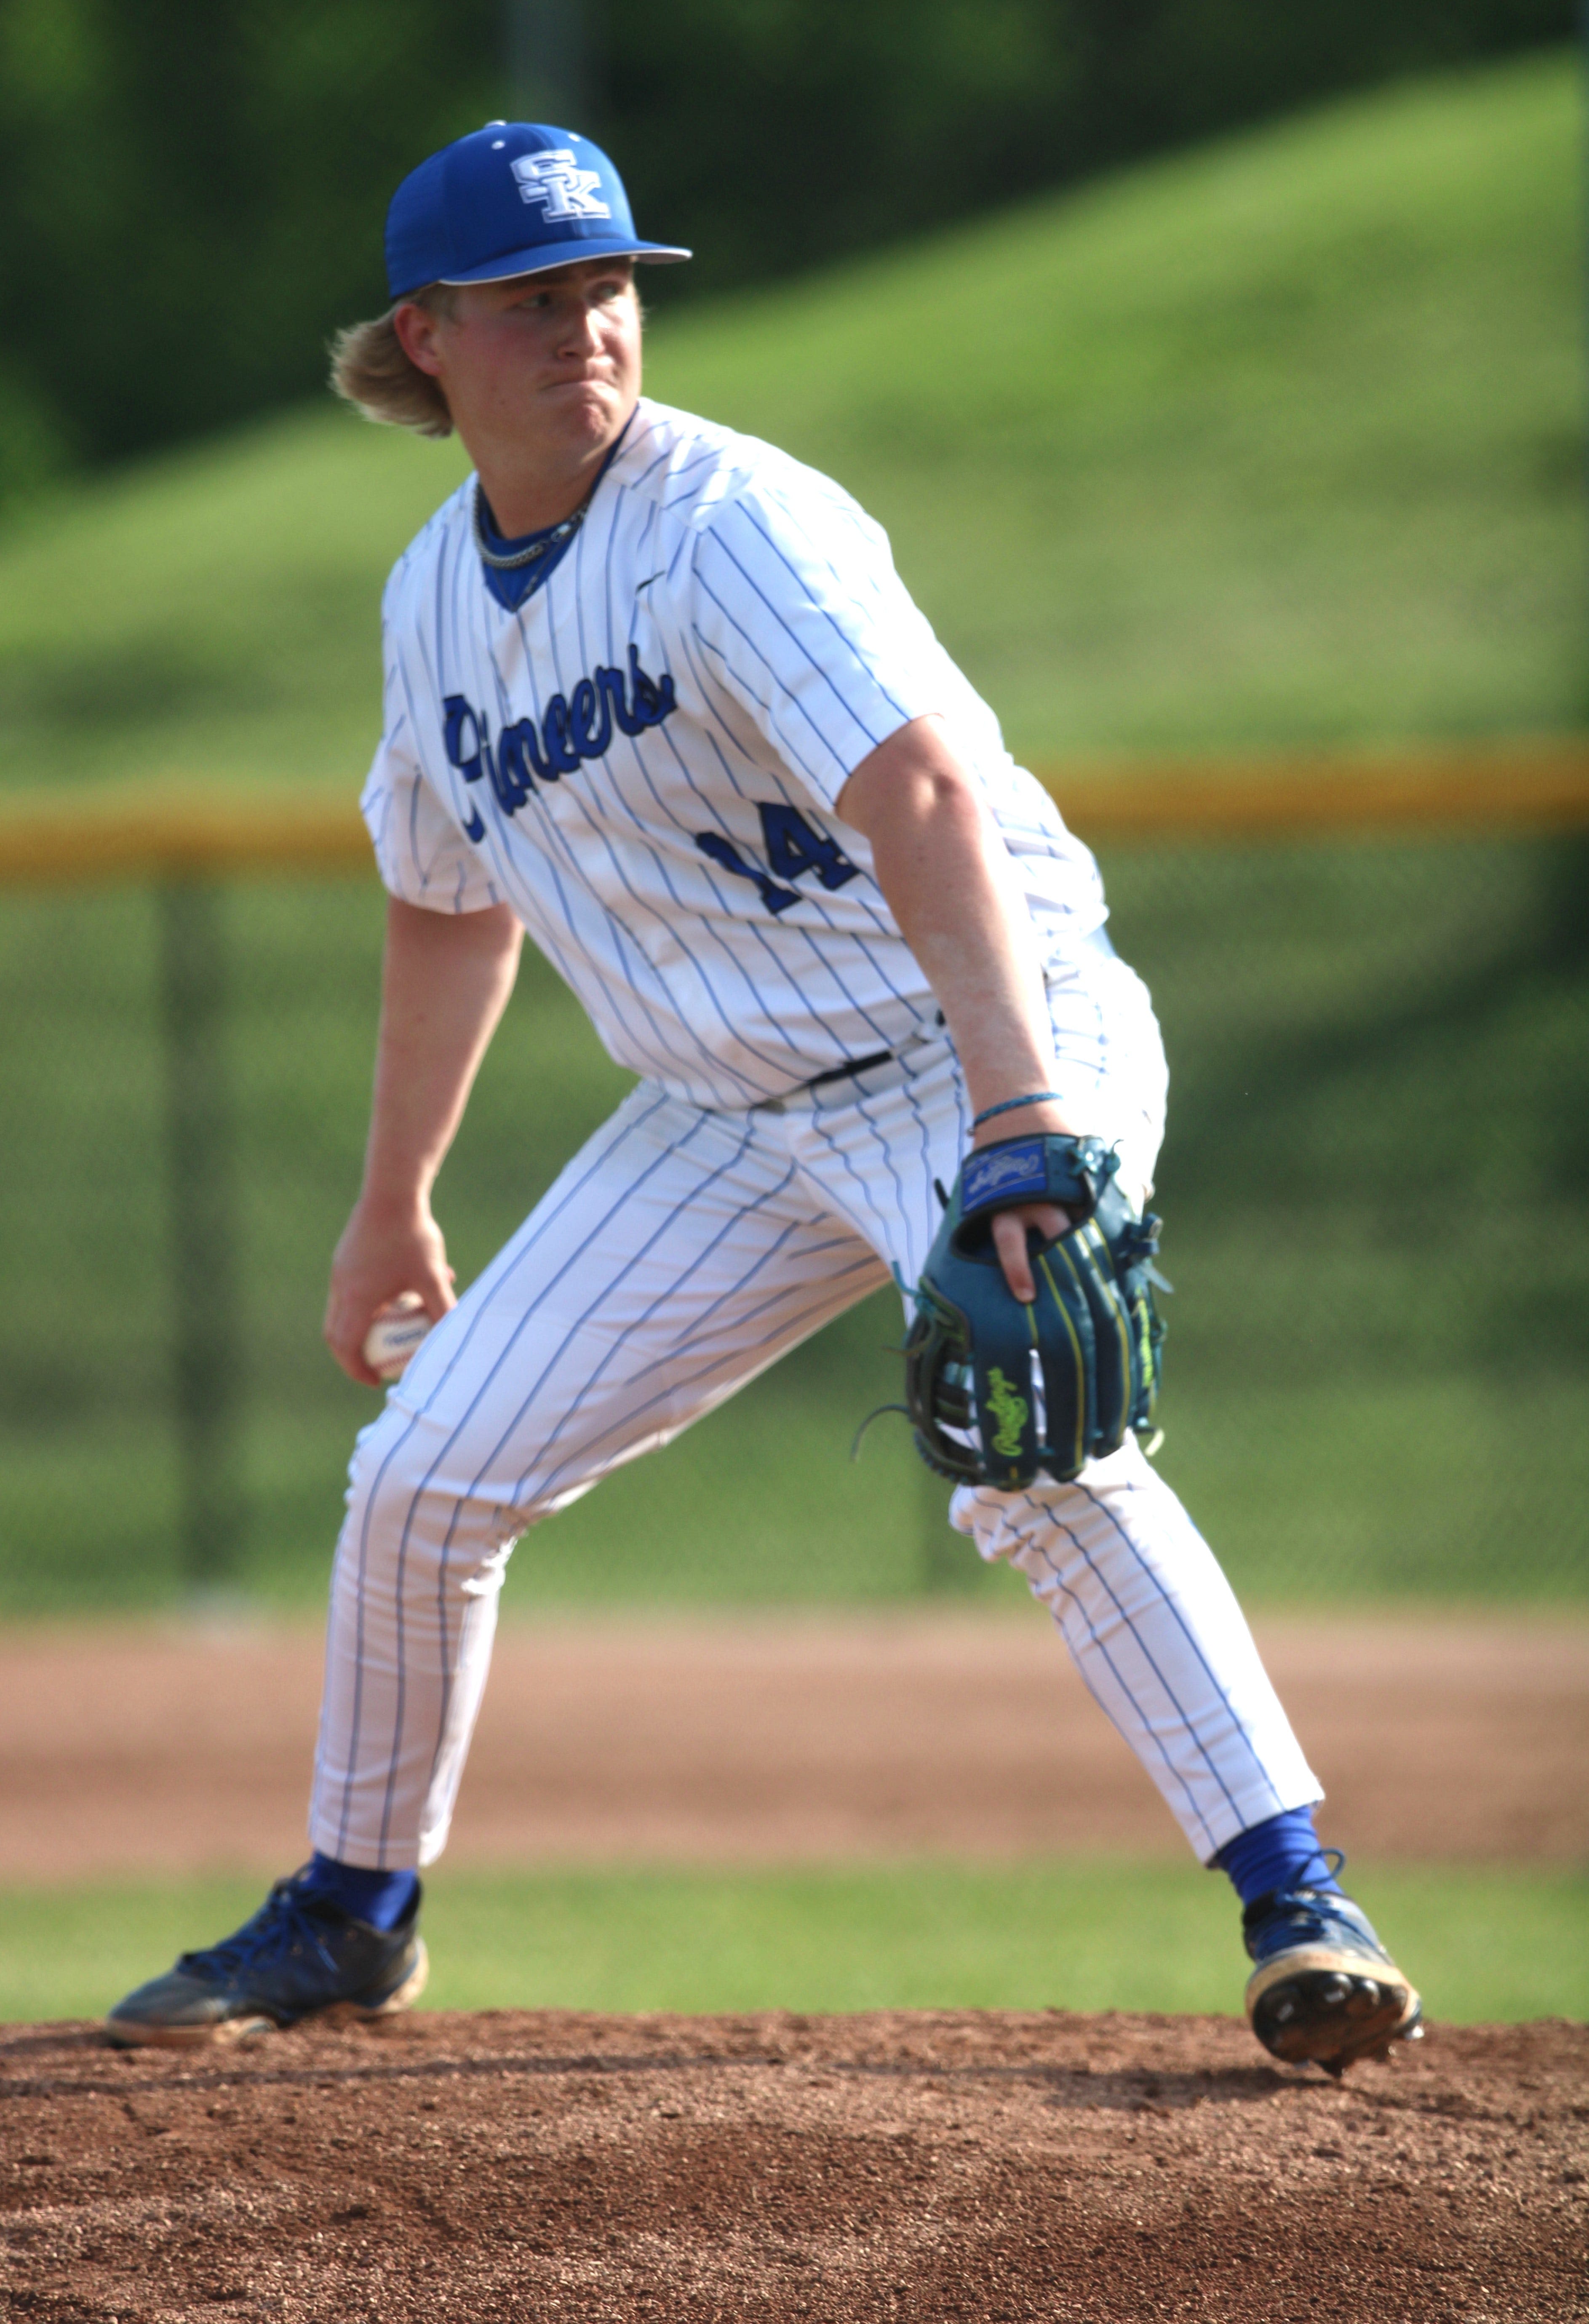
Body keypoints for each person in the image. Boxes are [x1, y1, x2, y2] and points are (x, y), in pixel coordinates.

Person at [107, 122, 1418, 2073]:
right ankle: (351, 1915)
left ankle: (1295, 1901)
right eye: (533, 299)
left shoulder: (731, 522)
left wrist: (1017, 1123)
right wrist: (394, 1201)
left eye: (609, 287)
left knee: (1033, 1436)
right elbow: (443, 901)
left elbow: (919, 799)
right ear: (429, 338)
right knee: (422, 1476)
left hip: (973, 1032)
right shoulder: (430, 609)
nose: (585, 326)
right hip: (724, 1113)